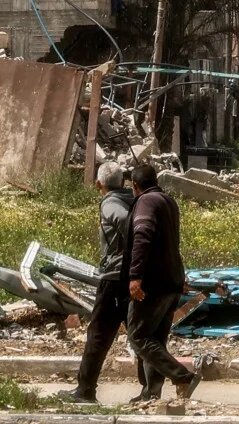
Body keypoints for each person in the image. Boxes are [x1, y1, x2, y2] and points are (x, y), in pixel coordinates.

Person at [125, 162, 201, 403]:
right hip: (172, 280)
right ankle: (151, 392)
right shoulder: (168, 201)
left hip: (153, 283)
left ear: (134, 185)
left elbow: (142, 236)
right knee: (156, 339)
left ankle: (182, 376)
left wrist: (135, 276)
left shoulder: (146, 202)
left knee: (138, 336)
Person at [63, 160, 134, 404]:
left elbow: (127, 224)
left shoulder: (111, 203)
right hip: (132, 277)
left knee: (97, 334)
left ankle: (85, 390)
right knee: (139, 335)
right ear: (122, 182)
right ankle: (151, 390)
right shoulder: (132, 199)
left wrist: (127, 253)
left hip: (114, 278)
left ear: (98, 184)